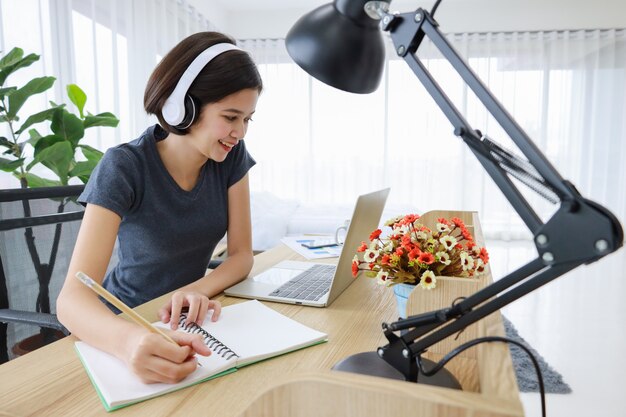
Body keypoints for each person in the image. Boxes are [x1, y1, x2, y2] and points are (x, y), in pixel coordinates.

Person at [57, 31, 262, 384]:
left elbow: (242, 254)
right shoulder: (124, 166)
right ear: (184, 106)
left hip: (186, 321)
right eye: (230, 117)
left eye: (248, 119)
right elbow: (71, 299)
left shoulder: (230, 158)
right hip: (123, 325)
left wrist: (198, 288)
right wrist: (129, 341)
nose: (240, 132)